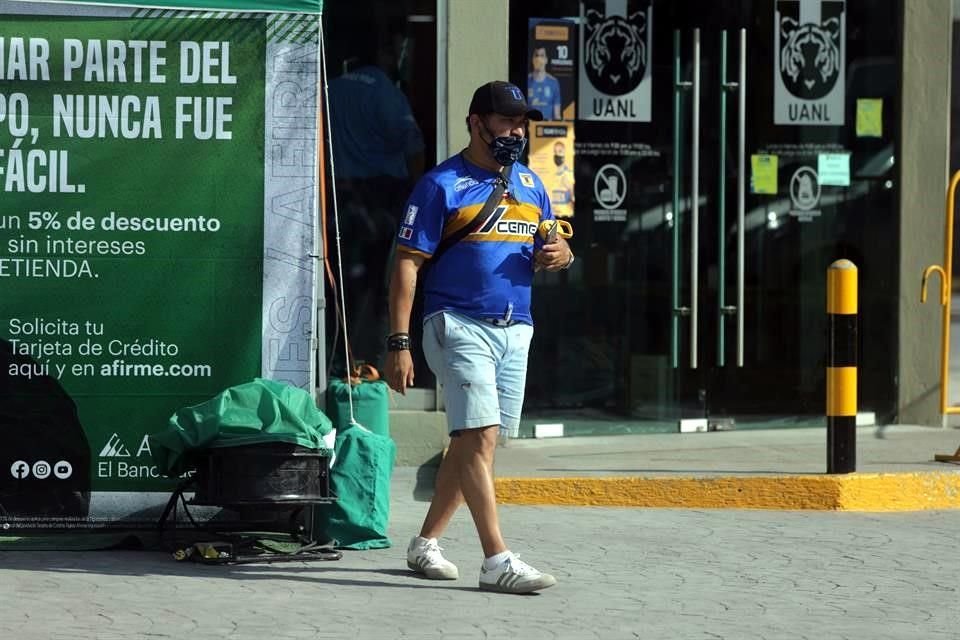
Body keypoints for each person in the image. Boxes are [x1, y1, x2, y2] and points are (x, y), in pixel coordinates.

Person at [384, 81, 574, 594]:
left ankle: (424, 544)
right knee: (480, 437)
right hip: (457, 323)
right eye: (506, 122)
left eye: (521, 123)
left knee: (476, 443)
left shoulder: (532, 184)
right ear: (476, 123)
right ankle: (497, 560)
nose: (516, 131)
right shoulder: (440, 185)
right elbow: (406, 263)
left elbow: (551, 242)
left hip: (517, 328)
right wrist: (399, 343)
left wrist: (561, 255)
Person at [327, 42, 425, 371]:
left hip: (338, 194)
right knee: (377, 282)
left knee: (339, 281)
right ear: (382, 57)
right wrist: (420, 195)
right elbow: (412, 144)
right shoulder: (386, 93)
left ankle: (340, 353)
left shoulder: (332, 90)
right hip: (379, 196)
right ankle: (366, 356)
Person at [527, 46, 563, 120]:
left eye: (542, 56)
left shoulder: (553, 82)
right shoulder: (526, 81)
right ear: (533, 59)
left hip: (547, 127)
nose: (539, 59)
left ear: (546, 60)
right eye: (536, 55)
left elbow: (557, 115)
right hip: (530, 125)